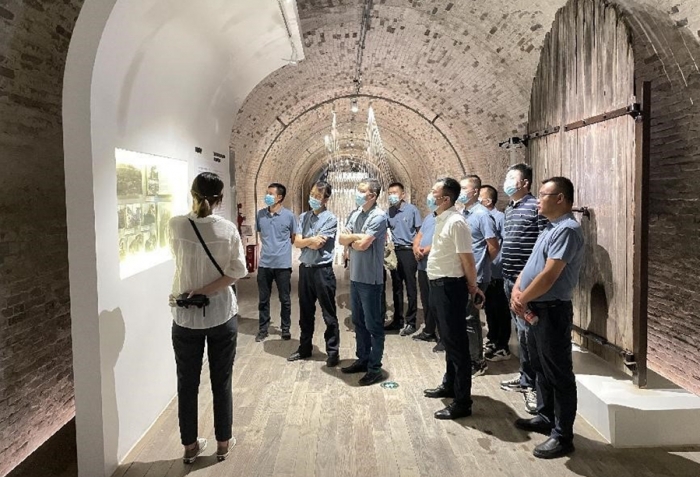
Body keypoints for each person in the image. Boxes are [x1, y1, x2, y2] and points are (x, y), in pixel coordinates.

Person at [168, 172, 247, 464]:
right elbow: (236, 271)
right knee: (221, 381)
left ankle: (190, 446)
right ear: (220, 199)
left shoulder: (176, 225)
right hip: (220, 314)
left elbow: (177, 259)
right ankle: (223, 443)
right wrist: (205, 290)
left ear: (192, 194)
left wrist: (193, 288)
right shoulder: (226, 229)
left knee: (186, 383)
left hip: (185, 317)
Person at [511, 177, 584, 459]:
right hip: (536, 307)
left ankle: (563, 436)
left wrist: (523, 298)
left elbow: (550, 275)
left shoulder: (567, 230)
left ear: (560, 199)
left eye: (543, 195)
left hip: (552, 310)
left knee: (558, 372)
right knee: (540, 366)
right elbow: (532, 265)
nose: (537, 200)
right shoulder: (549, 227)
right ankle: (545, 416)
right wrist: (518, 289)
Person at [422, 178, 485, 420]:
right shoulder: (442, 219)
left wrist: (473, 286)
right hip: (438, 286)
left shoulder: (456, 222)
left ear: (445, 198)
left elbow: (467, 259)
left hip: (450, 287)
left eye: (434, 192)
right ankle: (449, 384)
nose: (430, 195)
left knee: (457, 345)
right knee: (448, 340)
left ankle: (462, 401)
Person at [499, 164, 548, 415]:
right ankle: (525, 377)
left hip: (527, 282)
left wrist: (529, 277)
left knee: (529, 334)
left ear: (525, 182)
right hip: (510, 279)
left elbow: (541, 245)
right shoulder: (510, 208)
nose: (507, 181)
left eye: (512, 178)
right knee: (520, 332)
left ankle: (534, 386)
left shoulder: (535, 207)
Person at [339, 177, 388, 386]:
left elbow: (363, 245)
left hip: (370, 279)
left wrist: (353, 239)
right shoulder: (355, 213)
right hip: (355, 277)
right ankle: (363, 359)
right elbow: (342, 238)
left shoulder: (379, 217)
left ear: (373, 195)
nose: (357, 194)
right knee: (358, 322)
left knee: (373, 325)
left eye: (362, 191)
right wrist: (354, 239)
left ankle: (375, 368)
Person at [287, 181, 340, 367]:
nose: (313, 199)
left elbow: (318, 245)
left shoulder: (330, 219)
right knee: (305, 312)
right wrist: (309, 240)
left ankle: (332, 352)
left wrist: (306, 241)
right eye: (312, 195)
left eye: (317, 196)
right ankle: (304, 348)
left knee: (328, 313)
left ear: (326, 199)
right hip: (305, 270)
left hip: (322, 271)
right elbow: (297, 242)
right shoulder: (304, 217)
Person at [458, 175, 499, 377]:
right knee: (465, 318)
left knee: (470, 318)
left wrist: (480, 266)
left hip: (477, 276)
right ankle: (468, 355)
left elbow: (493, 246)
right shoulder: (464, 214)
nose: (460, 192)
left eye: (464, 188)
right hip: (463, 272)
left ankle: (477, 361)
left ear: (475, 191)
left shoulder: (483, 215)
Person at [255, 183, 297, 342]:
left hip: (282, 265)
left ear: (279, 197)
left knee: (285, 299)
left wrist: (280, 249)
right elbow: (261, 234)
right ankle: (263, 329)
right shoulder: (260, 215)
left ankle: (285, 328)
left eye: (270, 194)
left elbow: (293, 237)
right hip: (264, 264)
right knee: (263, 299)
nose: (267, 196)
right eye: (267, 193)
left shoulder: (289, 216)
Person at [384, 182, 422, 336]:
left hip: (408, 251)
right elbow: (384, 229)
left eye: (395, 193)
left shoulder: (412, 210)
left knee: (411, 286)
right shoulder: (389, 212)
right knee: (396, 286)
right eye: (389, 193)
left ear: (402, 194)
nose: (392, 196)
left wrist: (417, 249)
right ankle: (397, 319)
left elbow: (420, 231)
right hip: (395, 251)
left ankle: (411, 321)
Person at [479, 185, 512, 361]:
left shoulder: (499, 218)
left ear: (488, 201)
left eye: (480, 196)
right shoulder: (481, 216)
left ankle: (502, 345)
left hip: (497, 270)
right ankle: (492, 338)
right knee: (490, 308)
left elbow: (503, 243)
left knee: (501, 309)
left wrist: (496, 262)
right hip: (487, 271)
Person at [411, 199, 440, 348]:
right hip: (423, 265)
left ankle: (443, 337)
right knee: (426, 300)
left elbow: (442, 240)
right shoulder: (429, 217)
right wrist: (416, 248)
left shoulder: (448, 218)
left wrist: (425, 251)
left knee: (438, 303)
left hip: (436, 266)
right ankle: (429, 331)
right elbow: (419, 235)